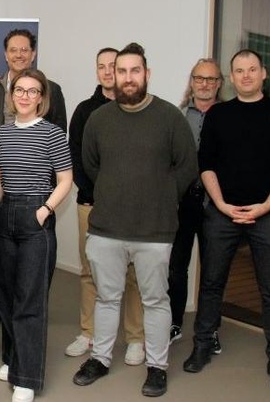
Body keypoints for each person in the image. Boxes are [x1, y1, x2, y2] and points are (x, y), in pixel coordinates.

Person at [73, 43, 197, 398]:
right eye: (121, 71)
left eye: (135, 71)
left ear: (147, 73)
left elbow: (187, 166)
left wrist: (161, 195)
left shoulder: (169, 117)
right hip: (107, 229)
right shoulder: (99, 119)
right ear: (114, 75)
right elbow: (91, 165)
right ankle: (100, 358)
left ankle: (157, 366)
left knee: (155, 300)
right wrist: (116, 191)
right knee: (107, 298)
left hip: (154, 231)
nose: (128, 78)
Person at [183, 49, 270, 377]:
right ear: (231, 78)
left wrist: (265, 206)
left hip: (266, 213)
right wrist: (220, 204)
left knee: (269, 287)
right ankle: (202, 344)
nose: (246, 75)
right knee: (211, 282)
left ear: (263, 73)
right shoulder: (219, 115)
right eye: (239, 71)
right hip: (222, 213)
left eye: (252, 69)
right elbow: (205, 164)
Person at [0, 68, 72, 402]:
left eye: (32, 91)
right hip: (5, 214)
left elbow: (65, 179)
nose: (24, 96)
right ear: (12, 95)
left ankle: (26, 378)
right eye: (19, 90)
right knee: (6, 294)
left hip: (35, 216)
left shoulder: (52, 133)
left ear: (42, 97)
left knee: (30, 299)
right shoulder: (2, 132)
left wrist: (45, 209)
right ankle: (13, 358)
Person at [0, 28, 67, 330]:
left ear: (33, 53)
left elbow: (59, 137)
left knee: (32, 275)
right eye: (13, 50)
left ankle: (27, 324)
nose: (19, 54)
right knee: (3, 266)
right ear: (5, 54)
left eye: (24, 49)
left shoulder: (52, 90)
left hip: (37, 195)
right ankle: (0, 310)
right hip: (4, 190)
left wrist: (46, 205)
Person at [65, 47, 145, 365]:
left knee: (134, 273)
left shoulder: (139, 109)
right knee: (90, 272)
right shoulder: (85, 111)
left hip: (132, 207)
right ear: (97, 71)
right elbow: (75, 157)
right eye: (102, 66)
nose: (109, 71)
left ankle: (135, 338)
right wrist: (99, 193)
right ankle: (89, 332)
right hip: (92, 204)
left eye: (114, 65)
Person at [169, 58, 223, 349]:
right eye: (199, 78)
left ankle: (209, 330)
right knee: (176, 267)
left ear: (219, 84)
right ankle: (174, 323)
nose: (204, 84)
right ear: (192, 82)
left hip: (217, 204)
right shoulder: (177, 117)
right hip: (184, 203)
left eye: (211, 79)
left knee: (213, 271)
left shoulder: (228, 116)